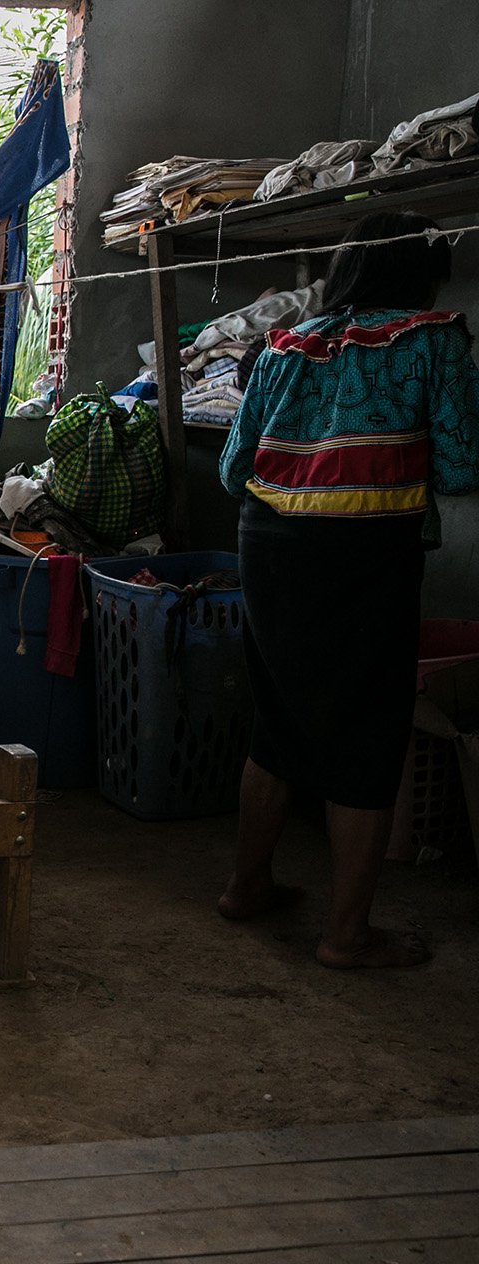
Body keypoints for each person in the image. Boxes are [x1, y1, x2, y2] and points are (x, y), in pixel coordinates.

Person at [216, 210, 478, 969]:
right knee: (366, 733)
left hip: (266, 546)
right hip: (365, 553)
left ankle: (246, 886)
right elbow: (461, 470)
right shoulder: (433, 339)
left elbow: (235, 469)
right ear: (419, 271)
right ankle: (346, 934)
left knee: (279, 718)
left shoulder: (285, 345)